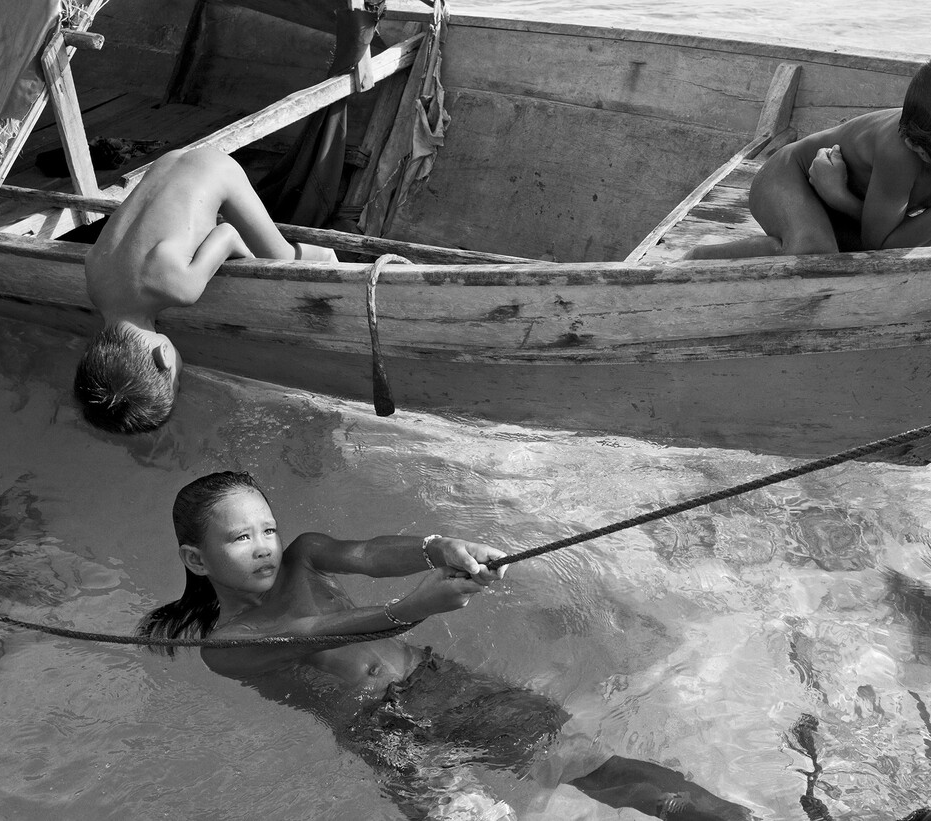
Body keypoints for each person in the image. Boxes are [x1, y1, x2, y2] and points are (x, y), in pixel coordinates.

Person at [138, 471, 753, 821]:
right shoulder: (227, 646)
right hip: (383, 732)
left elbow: (369, 553)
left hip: (440, 686)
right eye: (240, 537)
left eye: (267, 528)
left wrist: (439, 548)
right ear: (196, 559)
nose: (265, 546)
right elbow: (320, 635)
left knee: (590, 767)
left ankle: (732, 819)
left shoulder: (303, 556)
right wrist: (413, 609)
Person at [73, 147, 337, 434]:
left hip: (218, 170)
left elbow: (228, 235)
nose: (180, 378)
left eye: (177, 381)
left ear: (163, 354)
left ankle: (325, 254)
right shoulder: (95, 284)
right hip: (165, 162)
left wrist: (251, 264)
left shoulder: (181, 289)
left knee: (282, 260)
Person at [685, 43, 931, 259]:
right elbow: (883, 247)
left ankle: (805, 231)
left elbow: (885, 242)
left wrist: (840, 199)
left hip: (841, 200)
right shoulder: (902, 153)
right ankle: (700, 257)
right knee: (813, 254)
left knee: (848, 255)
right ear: (921, 152)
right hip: (790, 177)